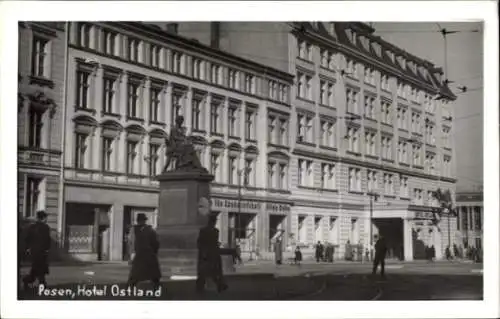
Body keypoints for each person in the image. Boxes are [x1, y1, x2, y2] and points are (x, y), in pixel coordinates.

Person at [127, 213, 161, 289]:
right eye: (142, 220)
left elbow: (155, 243)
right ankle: (130, 287)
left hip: (145, 254)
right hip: (142, 254)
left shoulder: (148, 230)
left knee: (153, 274)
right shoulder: (136, 230)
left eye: (142, 220)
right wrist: (132, 253)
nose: (142, 222)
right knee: (136, 274)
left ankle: (156, 289)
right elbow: (131, 242)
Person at [196, 214, 227, 293]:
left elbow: (201, 242)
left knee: (213, 271)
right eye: (214, 221)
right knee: (209, 271)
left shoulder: (214, 231)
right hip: (208, 254)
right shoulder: (207, 231)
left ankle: (219, 284)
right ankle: (202, 286)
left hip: (212, 253)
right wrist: (203, 252)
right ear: (211, 222)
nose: (215, 223)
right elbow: (200, 242)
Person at [22, 210, 51, 290]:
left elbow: (27, 239)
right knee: (41, 269)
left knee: (35, 269)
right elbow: (47, 240)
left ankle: (27, 280)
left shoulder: (32, 227)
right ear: (43, 218)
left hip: (34, 252)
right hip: (42, 251)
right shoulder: (46, 227)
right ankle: (43, 285)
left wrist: (28, 248)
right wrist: (47, 249)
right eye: (46, 217)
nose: (46, 219)